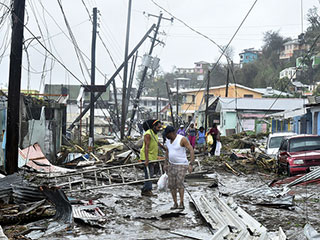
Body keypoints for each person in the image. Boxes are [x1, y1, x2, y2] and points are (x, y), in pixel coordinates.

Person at [164, 126, 194, 210]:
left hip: (182, 164)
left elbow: (191, 149)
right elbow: (167, 151)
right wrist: (165, 163)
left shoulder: (182, 139)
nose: (166, 136)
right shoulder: (168, 141)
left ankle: (181, 202)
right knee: (172, 185)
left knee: (179, 183)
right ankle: (175, 203)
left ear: (171, 133)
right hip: (171, 165)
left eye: (167, 134)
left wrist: (191, 164)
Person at [140, 119, 162, 196]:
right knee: (149, 173)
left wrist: (165, 148)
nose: (159, 129)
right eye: (158, 127)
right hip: (147, 156)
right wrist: (146, 159)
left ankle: (145, 189)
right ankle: (147, 190)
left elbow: (157, 142)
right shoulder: (148, 134)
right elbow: (146, 146)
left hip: (152, 156)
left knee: (150, 173)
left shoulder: (154, 133)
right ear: (153, 126)